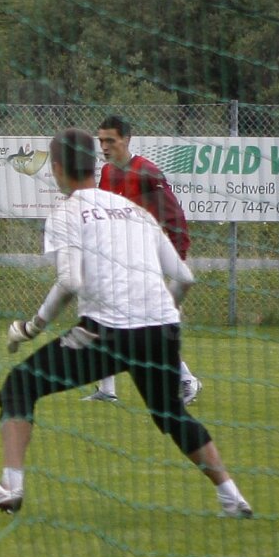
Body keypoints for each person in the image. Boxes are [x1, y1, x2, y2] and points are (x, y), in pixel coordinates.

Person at [0, 128, 251, 518]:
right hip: (162, 329)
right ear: (94, 164)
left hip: (108, 333)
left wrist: (31, 327)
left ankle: (10, 486)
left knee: (19, 385)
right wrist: (161, 310)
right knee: (170, 413)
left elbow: (69, 281)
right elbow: (185, 277)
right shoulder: (136, 212)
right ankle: (232, 497)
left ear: (58, 168)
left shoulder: (66, 213)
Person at [81, 115, 202, 405]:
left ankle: (186, 379)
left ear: (126, 140)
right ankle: (107, 388)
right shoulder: (108, 173)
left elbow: (174, 219)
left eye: (110, 140)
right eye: (101, 141)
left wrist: (174, 262)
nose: (105, 146)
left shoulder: (147, 172)